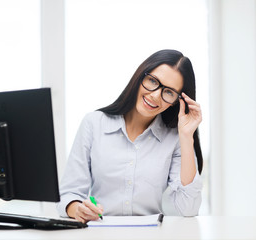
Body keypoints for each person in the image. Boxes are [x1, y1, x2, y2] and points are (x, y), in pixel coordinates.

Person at [57, 49, 203, 223]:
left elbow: (188, 209)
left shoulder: (175, 139)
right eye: (153, 81)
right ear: (140, 77)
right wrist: (78, 209)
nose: (155, 96)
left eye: (169, 92)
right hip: (99, 233)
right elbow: (69, 194)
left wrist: (187, 137)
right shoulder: (93, 124)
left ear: (176, 102)